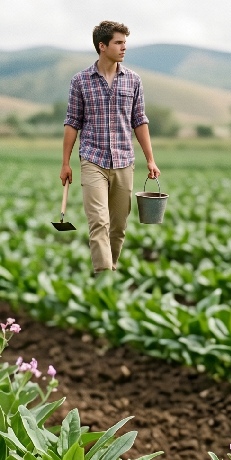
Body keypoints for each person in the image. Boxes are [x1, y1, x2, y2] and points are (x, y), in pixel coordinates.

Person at [60, 20, 162, 276]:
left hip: (124, 160)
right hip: (92, 159)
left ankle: (110, 272)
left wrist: (150, 159)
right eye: (118, 43)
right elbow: (72, 122)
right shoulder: (80, 81)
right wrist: (65, 163)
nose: (123, 48)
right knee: (99, 222)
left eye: (125, 43)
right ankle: (104, 276)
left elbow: (140, 121)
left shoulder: (133, 81)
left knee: (118, 227)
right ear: (102, 46)